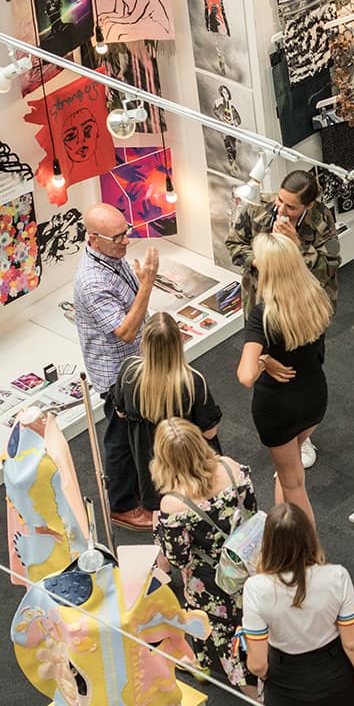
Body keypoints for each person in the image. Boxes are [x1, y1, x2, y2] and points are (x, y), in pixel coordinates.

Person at [226, 169, 340, 469]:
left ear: (308, 206)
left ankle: (301, 435)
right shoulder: (258, 208)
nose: (282, 209)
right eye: (280, 200)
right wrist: (265, 260)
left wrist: (298, 250)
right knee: (264, 358)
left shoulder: (321, 219)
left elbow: (330, 264)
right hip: (262, 301)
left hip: (305, 306)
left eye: (291, 206)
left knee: (304, 360)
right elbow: (234, 246)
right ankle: (279, 428)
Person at [151, 418, 258, 696]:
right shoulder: (230, 467)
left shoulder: (173, 503)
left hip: (211, 583)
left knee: (214, 625)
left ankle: (210, 666)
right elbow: (253, 513)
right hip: (249, 562)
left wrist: (158, 533)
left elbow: (177, 558)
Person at [236, 233, 333, 527]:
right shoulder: (317, 295)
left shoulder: (263, 316)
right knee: (287, 472)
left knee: (294, 485)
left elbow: (245, 375)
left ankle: (310, 554)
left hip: (279, 410)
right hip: (314, 398)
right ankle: (284, 535)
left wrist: (264, 361)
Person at [73, 203, 159, 531]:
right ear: (94, 239)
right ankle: (122, 506)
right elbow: (125, 332)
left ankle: (139, 488)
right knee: (120, 439)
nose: (126, 241)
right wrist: (147, 284)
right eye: (118, 237)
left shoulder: (110, 257)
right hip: (116, 374)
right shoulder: (92, 281)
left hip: (133, 365)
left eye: (126, 232)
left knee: (137, 431)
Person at [242, 503, 354, 706]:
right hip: (337, 674)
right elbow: (353, 644)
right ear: (309, 537)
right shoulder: (337, 576)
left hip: (286, 680)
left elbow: (258, 665)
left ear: (268, 543)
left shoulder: (255, 588)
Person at [113, 312, 222, 514]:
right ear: (179, 341)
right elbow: (209, 433)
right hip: (192, 467)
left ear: (145, 342)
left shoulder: (129, 372)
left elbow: (120, 413)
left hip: (153, 470)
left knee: (162, 520)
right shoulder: (192, 382)